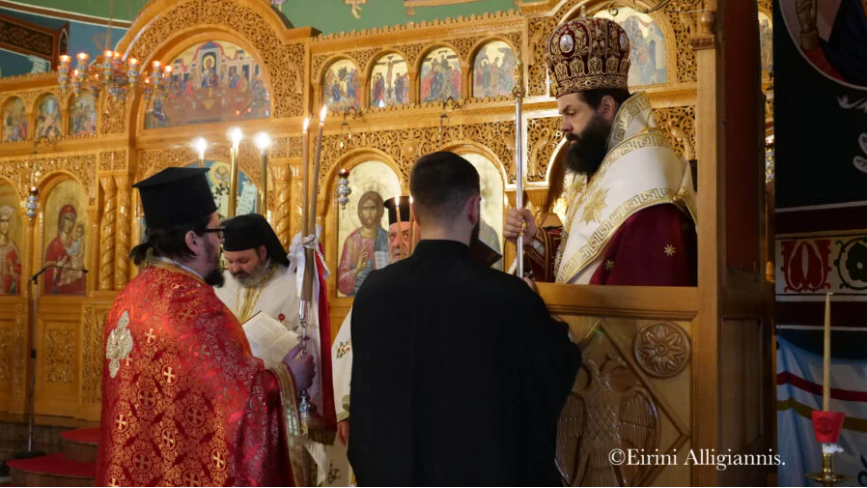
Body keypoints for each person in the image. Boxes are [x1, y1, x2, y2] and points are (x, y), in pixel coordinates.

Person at [348, 152, 581, 485]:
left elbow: (366, 401)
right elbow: (557, 369)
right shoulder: (507, 296)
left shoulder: (372, 291)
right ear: (474, 209)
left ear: (413, 214)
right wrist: (536, 306)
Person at [96, 167, 314, 487]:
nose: (222, 245)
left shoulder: (129, 296)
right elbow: (241, 407)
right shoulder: (193, 306)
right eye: (217, 233)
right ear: (193, 240)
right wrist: (289, 378)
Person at [504, 13, 697, 286]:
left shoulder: (646, 184)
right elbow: (583, 257)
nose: (564, 126)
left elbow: (633, 307)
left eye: (571, 113)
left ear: (606, 108)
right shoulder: (606, 159)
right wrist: (535, 240)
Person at [331, 196, 420, 447]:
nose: (397, 244)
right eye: (391, 236)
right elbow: (345, 349)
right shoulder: (375, 289)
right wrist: (345, 410)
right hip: (377, 412)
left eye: (405, 234)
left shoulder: (435, 287)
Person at [337, 191, 388, 296]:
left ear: (380, 211)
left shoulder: (387, 239)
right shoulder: (352, 241)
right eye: (365, 209)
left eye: (373, 208)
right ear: (360, 211)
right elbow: (341, 281)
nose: (368, 214)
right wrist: (357, 269)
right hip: (356, 298)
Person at [0, 205, 21, 295]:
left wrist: (13, 273)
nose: (5, 225)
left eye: (7, 221)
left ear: (10, 223)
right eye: (2, 221)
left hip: (8, 295)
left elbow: (19, 273)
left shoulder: (13, 248)